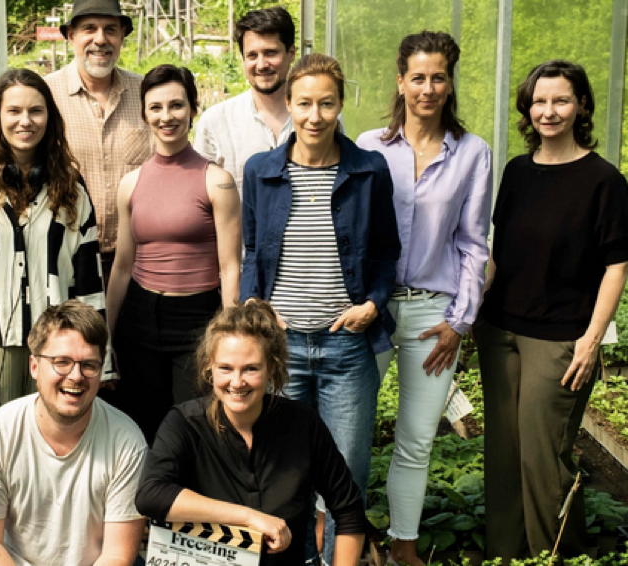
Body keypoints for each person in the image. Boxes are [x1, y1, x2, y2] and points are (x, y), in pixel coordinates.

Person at [240, 53, 400, 562]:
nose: (315, 116)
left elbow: (386, 251)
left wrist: (372, 303)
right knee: (283, 469)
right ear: (288, 104)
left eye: (326, 104)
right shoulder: (261, 170)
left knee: (345, 472)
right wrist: (254, 304)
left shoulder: (368, 169)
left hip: (346, 346)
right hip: (282, 348)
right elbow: (252, 249)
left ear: (340, 105)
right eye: (305, 103)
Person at [475, 60, 628, 562]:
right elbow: (499, 253)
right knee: (503, 452)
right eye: (539, 101)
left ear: (581, 105)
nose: (549, 111)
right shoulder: (518, 171)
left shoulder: (604, 180)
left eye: (561, 100)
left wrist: (591, 340)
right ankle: (504, 552)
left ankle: (556, 554)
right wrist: (472, 311)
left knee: (544, 456)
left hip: (559, 337)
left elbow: (616, 266)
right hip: (500, 330)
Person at [355, 31, 492, 566]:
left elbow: (474, 243)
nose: (428, 88)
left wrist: (460, 322)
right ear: (400, 81)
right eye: (418, 77)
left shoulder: (472, 153)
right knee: (348, 432)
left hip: (434, 315)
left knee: (416, 439)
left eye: (438, 77)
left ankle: (404, 547)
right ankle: (341, 539)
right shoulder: (368, 147)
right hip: (372, 310)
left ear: (450, 83)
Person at [0, 68, 109, 450]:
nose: (25, 121)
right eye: (14, 111)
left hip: (57, 346)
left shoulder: (70, 185)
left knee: (50, 449)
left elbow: (88, 278)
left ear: (50, 116)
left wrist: (101, 355)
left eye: (36, 110)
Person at [135, 299, 367, 565]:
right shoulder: (185, 423)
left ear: (272, 368)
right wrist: (249, 517)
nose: (237, 382)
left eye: (251, 369)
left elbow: (349, 509)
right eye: (225, 368)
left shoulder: (303, 424)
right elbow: (151, 495)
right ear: (209, 368)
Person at [106, 64, 241, 443]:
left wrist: (228, 336)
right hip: (139, 320)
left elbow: (230, 267)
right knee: (139, 427)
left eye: (176, 105)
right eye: (156, 107)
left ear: (193, 109)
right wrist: (108, 336)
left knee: (195, 429)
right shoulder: (131, 183)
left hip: (197, 320)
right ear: (144, 114)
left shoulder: (217, 181)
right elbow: (122, 267)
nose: (166, 116)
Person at [0, 300, 148, 566]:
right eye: (62, 362)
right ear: (34, 366)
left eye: (89, 365)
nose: (76, 376)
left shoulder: (127, 441)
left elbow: (117, 554)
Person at [45, 0, 151, 279]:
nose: (100, 39)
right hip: (66, 255)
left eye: (110, 29)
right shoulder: (46, 95)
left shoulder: (145, 94)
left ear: (122, 36)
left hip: (136, 258)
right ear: (71, 36)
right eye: (89, 28)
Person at [193, 6, 296, 192]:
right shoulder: (216, 122)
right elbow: (200, 192)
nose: (261, 65)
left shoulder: (318, 118)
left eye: (271, 53)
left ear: (291, 54)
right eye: (252, 55)